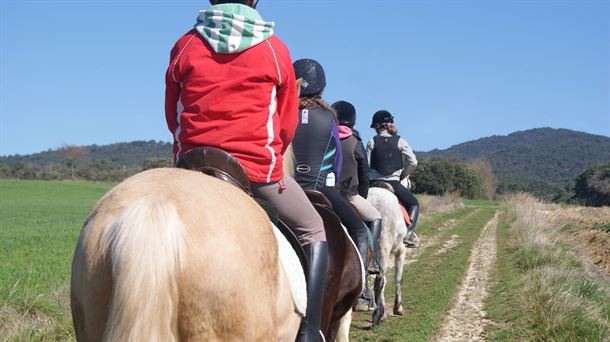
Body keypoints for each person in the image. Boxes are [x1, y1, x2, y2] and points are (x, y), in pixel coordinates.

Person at [164, 1, 326, 340]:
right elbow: (285, 125)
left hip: (192, 167)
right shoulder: (274, 48)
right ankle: (311, 329)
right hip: (254, 170)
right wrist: (271, 155)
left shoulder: (186, 45)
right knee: (313, 228)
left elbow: (172, 113)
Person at [290, 59, 372, 309]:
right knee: (358, 229)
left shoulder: (282, 113)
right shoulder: (329, 117)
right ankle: (363, 291)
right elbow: (335, 160)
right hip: (320, 188)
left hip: (288, 188)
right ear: (321, 89)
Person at [332, 100, 383, 310]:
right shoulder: (356, 141)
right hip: (349, 195)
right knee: (375, 216)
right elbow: (364, 173)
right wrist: (360, 196)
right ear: (353, 120)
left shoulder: (329, 135)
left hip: (325, 192)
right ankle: (372, 258)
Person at [367, 110, 420, 248]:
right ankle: (408, 235)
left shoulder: (372, 141)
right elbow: (413, 162)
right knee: (414, 204)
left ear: (378, 125)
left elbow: (365, 165)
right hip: (393, 183)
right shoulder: (400, 141)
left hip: (372, 183)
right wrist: (402, 174)